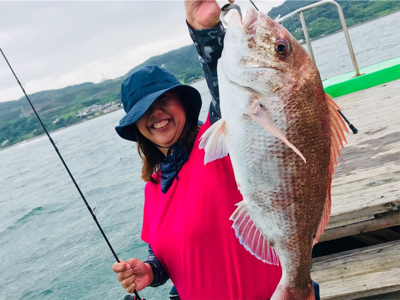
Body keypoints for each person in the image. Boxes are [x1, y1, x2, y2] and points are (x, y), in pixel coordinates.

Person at [112, 1, 319, 299]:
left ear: (183, 103)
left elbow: (232, 92)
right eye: (144, 111)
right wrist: (150, 270)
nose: (157, 113)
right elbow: (167, 255)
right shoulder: (154, 187)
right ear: (136, 128)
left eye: (164, 101)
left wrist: (204, 29)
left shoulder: (218, 147)